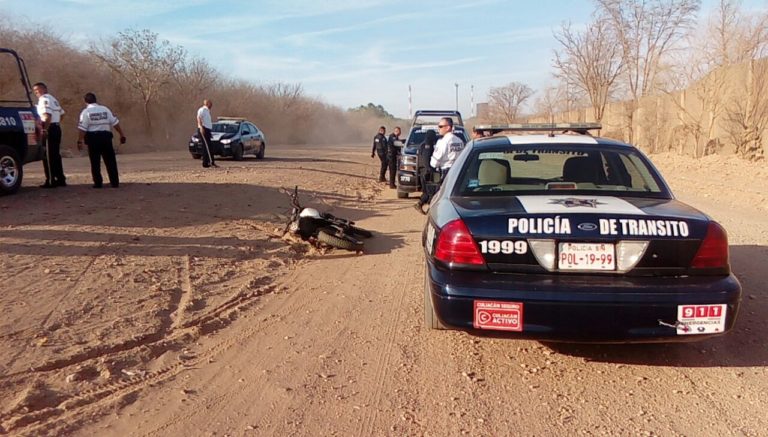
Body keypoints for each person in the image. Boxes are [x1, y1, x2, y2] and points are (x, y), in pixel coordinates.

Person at [414, 118, 465, 214]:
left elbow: (434, 162)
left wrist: (432, 167)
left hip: (446, 172)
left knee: (439, 195)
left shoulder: (442, 142)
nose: (439, 129)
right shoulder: (459, 141)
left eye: (441, 126)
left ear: (448, 127)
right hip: (458, 171)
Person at [76, 92, 126, 188]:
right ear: (96, 100)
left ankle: (98, 183)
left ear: (85, 102)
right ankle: (114, 182)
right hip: (106, 138)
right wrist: (121, 134)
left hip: (93, 139)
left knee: (95, 161)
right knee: (110, 160)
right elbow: (115, 123)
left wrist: (79, 141)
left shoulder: (86, 112)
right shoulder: (105, 109)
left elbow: (82, 128)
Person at [32, 82, 66, 188]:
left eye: (37, 90)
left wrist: (45, 129)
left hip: (49, 128)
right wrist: (56, 123)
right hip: (55, 127)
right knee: (55, 154)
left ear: (43, 89)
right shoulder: (53, 99)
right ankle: (60, 179)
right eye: (35, 91)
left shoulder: (44, 99)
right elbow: (62, 114)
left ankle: (51, 180)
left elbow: (47, 116)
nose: (36, 93)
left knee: (48, 155)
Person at [413, 130, 437, 214]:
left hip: (422, 171)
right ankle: (430, 210)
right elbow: (426, 158)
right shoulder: (428, 145)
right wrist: (429, 169)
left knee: (427, 191)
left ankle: (421, 204)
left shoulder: (423, 144)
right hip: (426, 171)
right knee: (431, 191)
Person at [196, 99, 217, 168]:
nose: (211, 105)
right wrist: (201, 127)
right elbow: (199, 118)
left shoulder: (208, 111)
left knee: (210, 146)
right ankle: (206, 163)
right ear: (207, 103)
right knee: (206, 147)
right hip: (203, 129)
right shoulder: (202, 110)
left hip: (208, 130)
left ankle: (211, 162)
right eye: (210, 104)